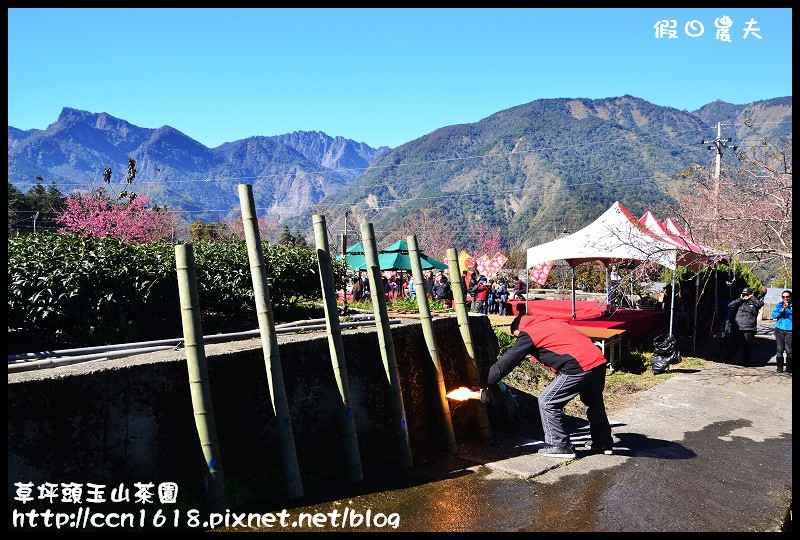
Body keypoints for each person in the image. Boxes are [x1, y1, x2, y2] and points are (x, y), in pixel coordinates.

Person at [484, 312, 613, 458]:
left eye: (516, 336)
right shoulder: (553, 323)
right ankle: (603, 443)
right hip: (597, 360)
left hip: (578, 366)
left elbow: (510, 359)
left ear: (518, 329)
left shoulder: (529, 332)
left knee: (548, 401)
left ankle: (560, 445)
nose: (517, 339)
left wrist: (486, 381)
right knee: (594, 403)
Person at [724, 287, 765, 366]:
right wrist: (740, 298)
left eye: (747, 294)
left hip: (749, 327)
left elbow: (759, 304)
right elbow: (730, 306)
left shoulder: (754, 302)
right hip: (738, 327)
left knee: (747, 347)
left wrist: (752, 297)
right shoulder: (740, 302)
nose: (746, 295)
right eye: (744, 294)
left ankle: (746, 362)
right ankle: (728, 359)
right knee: (734, 344)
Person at [772, 290, 792, 373]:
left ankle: (789, 368)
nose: (785, 298)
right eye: (783, 297)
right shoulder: (779, 305)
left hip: (790, 330)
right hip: (779, 329)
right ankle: (779, 367)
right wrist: (782, 309)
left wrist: (787, 310)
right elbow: (774, 315)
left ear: (790, 297)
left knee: (789, 349)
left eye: (787, 297)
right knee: (779, 349)